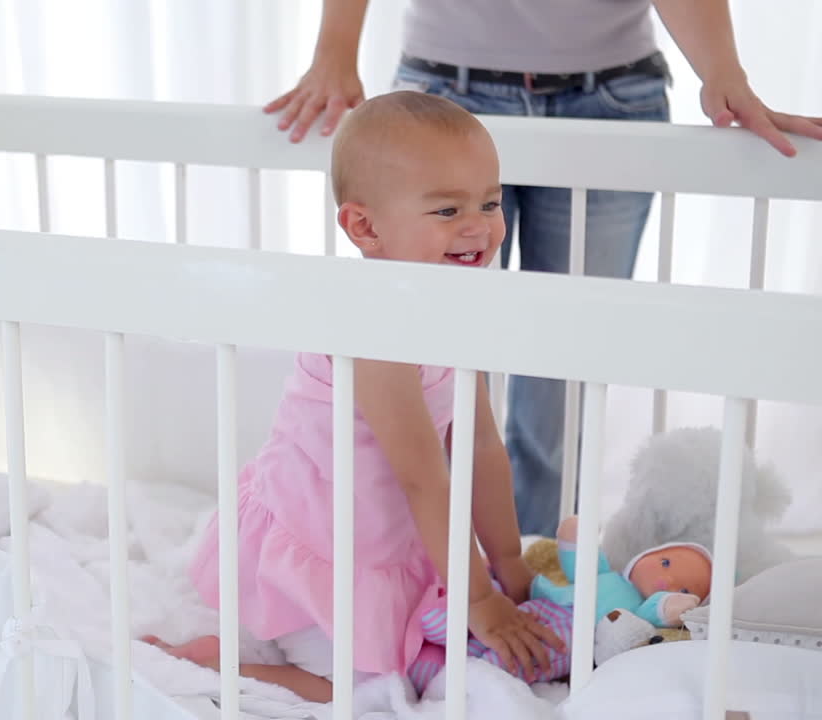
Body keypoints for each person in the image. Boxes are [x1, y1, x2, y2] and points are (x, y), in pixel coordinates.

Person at [264, 0, 822, 539]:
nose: (479, 219)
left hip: (610, 94)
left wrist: (723, 71)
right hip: (443, 88)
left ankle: (526, 560)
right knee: (435, 351)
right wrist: (334, 50)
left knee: (561, 375)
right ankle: (446, 565)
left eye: (487, 205)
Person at [143, 91, 570, 702]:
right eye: (448, 210)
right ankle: (212, 662)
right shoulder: (373, 330)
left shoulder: (460, 309)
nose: (478, 225)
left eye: (490, 202)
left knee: (420, 643)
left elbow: (479, 447)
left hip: (387, 531)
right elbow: (427, 478)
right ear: (365, 227)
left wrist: (511, 572)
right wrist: (477, 599)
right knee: (360, 686)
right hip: (322, 538)